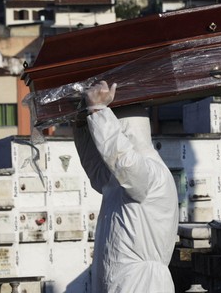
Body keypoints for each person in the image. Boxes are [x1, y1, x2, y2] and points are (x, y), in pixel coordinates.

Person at [73, 81, 179, 293]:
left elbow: (123, 161)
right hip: (122, 282)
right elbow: (95, 168)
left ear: (123, 131)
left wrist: (98, 111)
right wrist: (81, 123)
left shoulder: (152, 174)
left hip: (143, 285)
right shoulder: (122, 181)